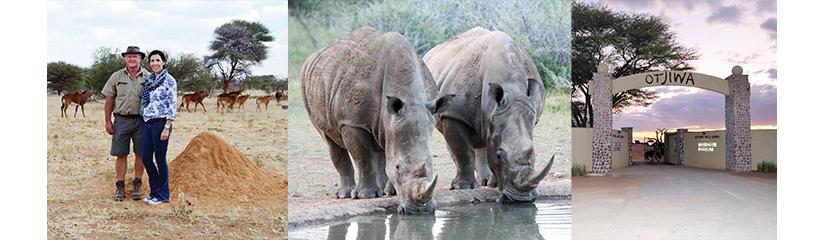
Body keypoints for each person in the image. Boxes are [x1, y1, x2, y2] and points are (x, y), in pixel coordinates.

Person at [102, 46, 149, 201]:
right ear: (125, 58)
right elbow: (109, 99)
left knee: (140, 153)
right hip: (121, 120)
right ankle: (120, 187)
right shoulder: (116, 76)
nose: (132, 59)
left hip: (141, 120)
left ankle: (137, 184)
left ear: (140, 59)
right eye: (129, 56)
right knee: (121, 154)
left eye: (135, 56)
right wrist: (108, 121)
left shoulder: (148, 77)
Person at [140, 50, 177, 205]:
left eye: (158, 60)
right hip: (148, 122)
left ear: (163, 62)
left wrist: (167, 127)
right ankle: (154, 191)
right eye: (152, 61)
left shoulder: (169, 80)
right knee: (146, 157)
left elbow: (172, 104)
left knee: (160, 159)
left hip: (161, 124)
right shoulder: (150, 80)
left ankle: (163, 194)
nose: (155, 63)